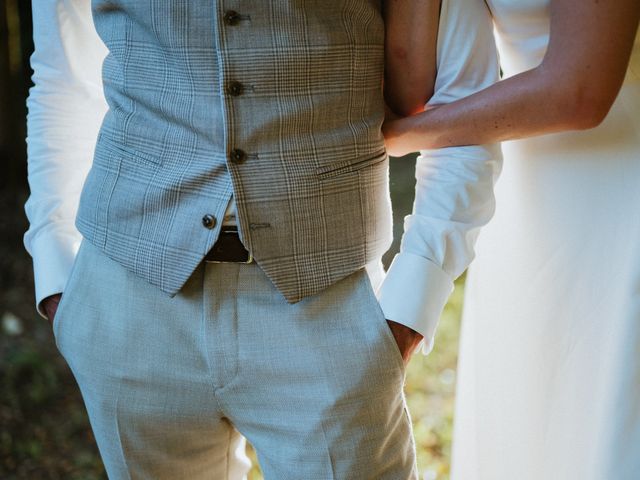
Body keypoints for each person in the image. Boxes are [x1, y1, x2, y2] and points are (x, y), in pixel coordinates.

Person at [23, 0, 501, 478]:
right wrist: (56, 266)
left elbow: (460, 97)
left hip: (327, 302)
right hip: (126, 298)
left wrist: (413, 299)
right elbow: (62, 74)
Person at [383, 0, 640, 478]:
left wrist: (398, 136)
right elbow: (412, 85)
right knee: (538, 429)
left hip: (627, 197)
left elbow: (581, 90)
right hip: (531, 211)